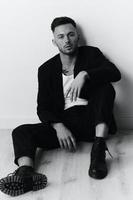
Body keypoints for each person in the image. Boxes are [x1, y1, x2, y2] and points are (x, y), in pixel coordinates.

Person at [0, 16, 121, 197]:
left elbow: (114, 73)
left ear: (77, 37)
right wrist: (58, 126)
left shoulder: (91, 54)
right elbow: (43, 108)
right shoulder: (46, 69)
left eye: (71, 35)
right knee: (20, 131)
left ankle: (98, 152)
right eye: (61, 36)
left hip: (92, 120)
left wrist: (85, 74)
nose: (67, 40)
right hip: (66, 128)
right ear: (54, 41)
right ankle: (26, 174)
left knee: (105, 88)